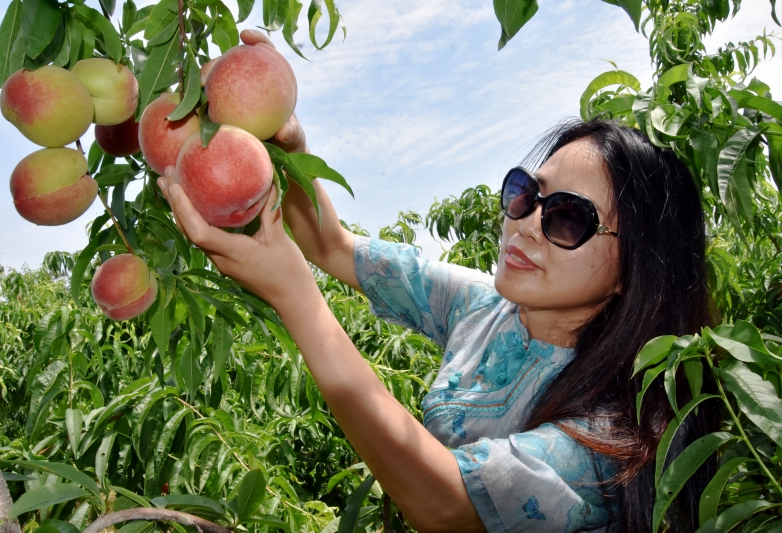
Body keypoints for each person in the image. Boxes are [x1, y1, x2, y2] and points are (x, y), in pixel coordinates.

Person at [157, 30, 717, 533]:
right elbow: (333, 246)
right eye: (525, 193)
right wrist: (289, 153)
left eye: (568, 217)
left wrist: (293, 295)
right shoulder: (484, 305)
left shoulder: (615, 434)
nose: (524, 225)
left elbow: (444, 503)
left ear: (635, 270)